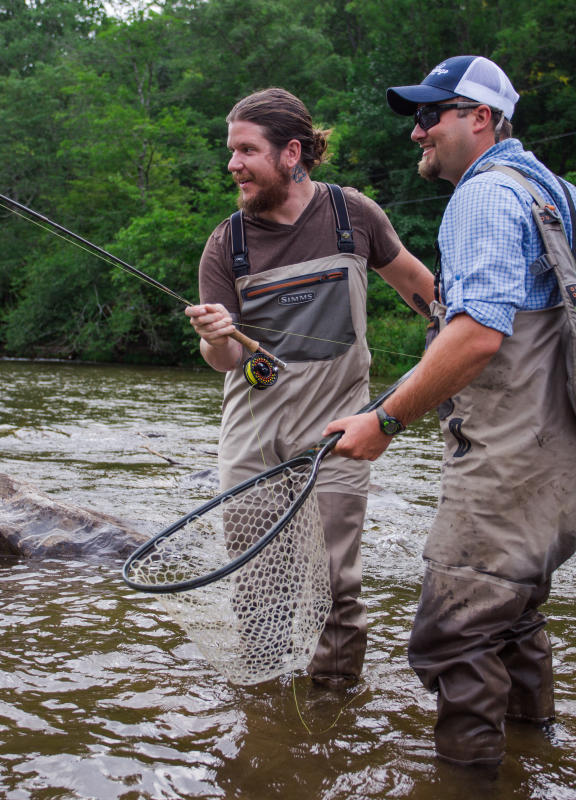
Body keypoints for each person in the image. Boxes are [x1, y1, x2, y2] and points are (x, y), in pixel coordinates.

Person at [324, 56, 576, 766]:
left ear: (480, 118)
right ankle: (534, 760)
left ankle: (471, 783)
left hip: (506, 463)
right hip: (562, 458)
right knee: (512, 619)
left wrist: (383, 422)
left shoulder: (483, 196)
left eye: (431, 115)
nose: (417, 133)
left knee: (454, 636)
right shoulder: (555, 190)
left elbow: (477, 337)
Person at [185, 88, 435, 690]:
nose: (232, 164)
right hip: (252, 443)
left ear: (291, 152)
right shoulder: (226, 243)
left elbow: (424, 293)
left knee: (338, 589)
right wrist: (217, 335)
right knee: (258, 589)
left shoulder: (354, 216)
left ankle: (334, 710)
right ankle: (266, 708)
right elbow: (221, 360)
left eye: (247, 150)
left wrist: (467, 354)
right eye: (231, 150)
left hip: (339, 438)